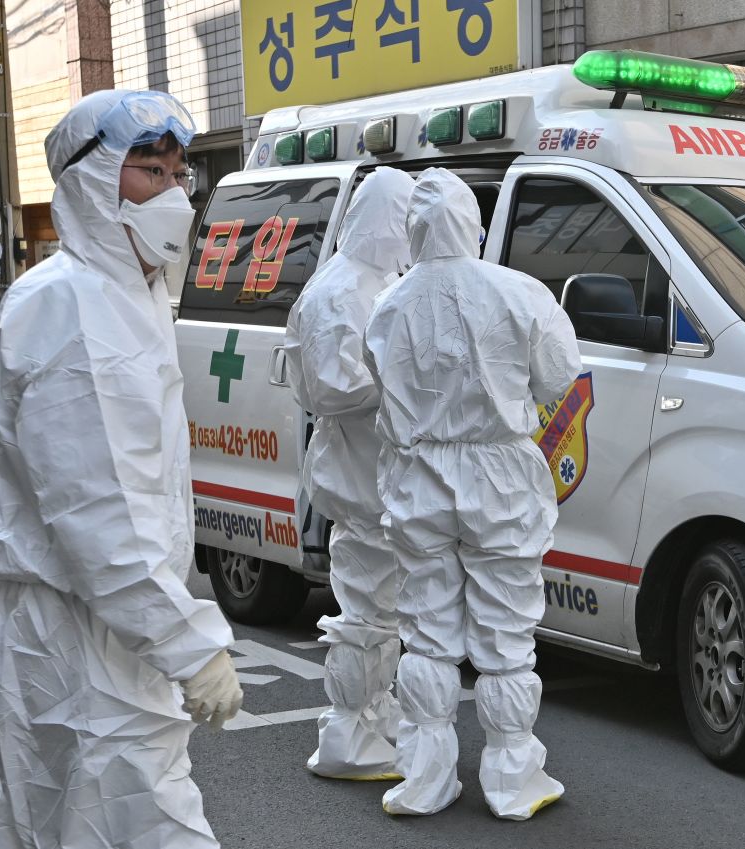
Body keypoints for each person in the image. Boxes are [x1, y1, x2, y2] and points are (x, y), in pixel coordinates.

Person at [0, 90, 242, 849]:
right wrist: (189, 644)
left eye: (180, 173)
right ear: (92, 180)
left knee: (41, 825)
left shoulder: (132, 293)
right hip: (74, 640)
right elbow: (99, 516)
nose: (175, 193)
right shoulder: (69, 306)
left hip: (92, 632)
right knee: (149, 826)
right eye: (149, 170)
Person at [363, 167, 582, 820]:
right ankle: (513, 778)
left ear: (414, 231)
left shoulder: (390, 303)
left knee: (427, 632)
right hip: (500, 478)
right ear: (473, 225)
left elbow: (381, 378)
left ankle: (425, 779)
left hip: (417, 475)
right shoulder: (521, 292)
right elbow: (557, 376)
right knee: (506, 633)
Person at [283, 167, 416, 780]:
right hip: (357, 470)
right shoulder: (343, 290)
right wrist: (407, 380)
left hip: (369, 467)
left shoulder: (367, 280)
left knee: (379, 608)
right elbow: (335, 387)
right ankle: (349, 738)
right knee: (365, 612)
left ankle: (373, 726)